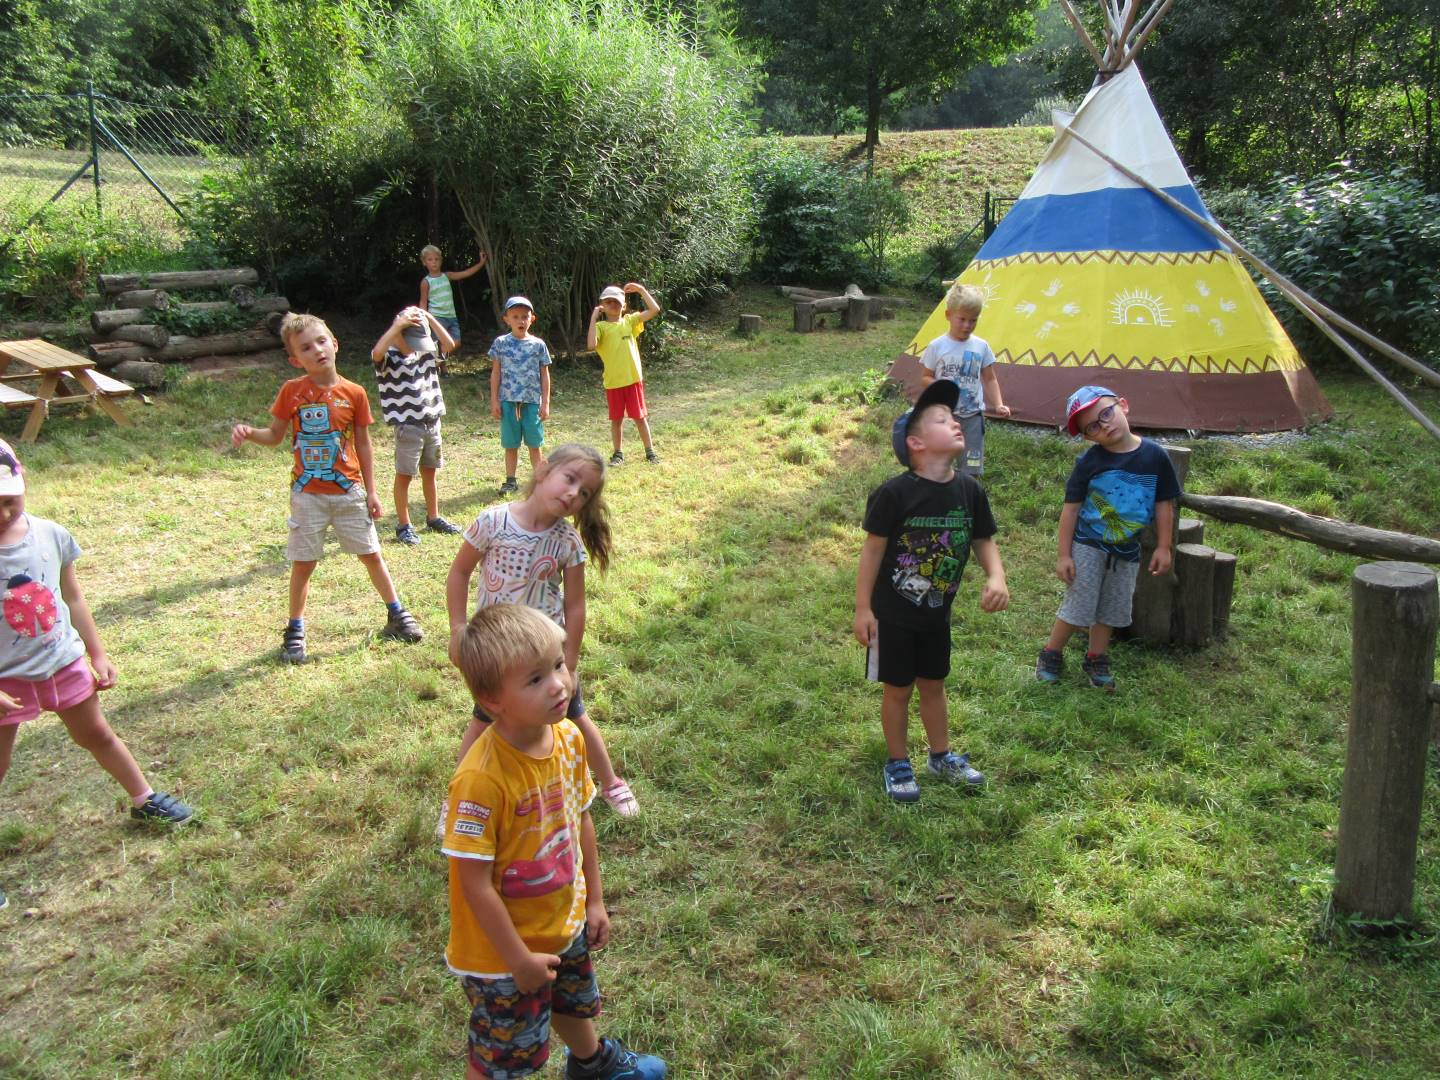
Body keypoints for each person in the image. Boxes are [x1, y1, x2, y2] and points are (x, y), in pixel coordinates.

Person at [444, 603, 667, 1080]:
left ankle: (593, 1064)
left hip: (563, 921)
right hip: (503, 955)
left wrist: (595, 901)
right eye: (535, 679)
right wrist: (517, 960)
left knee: (571, 1000)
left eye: (558, 665)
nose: (559, 684)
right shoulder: (480, 780)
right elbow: (472, 883)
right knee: (500, 1057)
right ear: (491, 699)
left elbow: (580, 819)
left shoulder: (567, 737)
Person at [0, 439, 193, 910]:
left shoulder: (51, 535)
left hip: (62, 662)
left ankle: (144, 799)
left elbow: (73, 596)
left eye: (10, 500)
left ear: (23, 484)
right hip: (6, 680)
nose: (3, 513)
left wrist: (97, 652)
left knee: (97, 734)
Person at [446, 444, 638, 817]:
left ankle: (611, 782)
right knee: (483, 720)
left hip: (548, 656)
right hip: (500, 654)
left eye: (585, 493)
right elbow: (459, 573)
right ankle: (457, 802)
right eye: (570, 479)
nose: (573, 494)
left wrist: (570, 662)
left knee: (575, 715)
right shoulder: (492, 522)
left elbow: (575, 605)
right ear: (543, 470)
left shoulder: (567, 542)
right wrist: (458, 629)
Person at [231, 313, 423, 663]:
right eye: (306, 347)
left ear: (334, 344)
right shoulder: (291, 392)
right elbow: (274, 436)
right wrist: (250, 433)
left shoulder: (355, 393)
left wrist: (372, 491)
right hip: (308, 495)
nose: (317, 350)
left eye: (321, 342)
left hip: (349, 492)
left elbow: (363, 444)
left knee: (372, 554)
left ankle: (397, 614)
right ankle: (295, 631)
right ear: (295, 360)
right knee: (304, 563)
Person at [853, 379, 1010, 804]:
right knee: (898, 689)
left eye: (954, 417)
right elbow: (872, 551)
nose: (955, 423)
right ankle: (897, 762)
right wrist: (863, 608)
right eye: (942, 419)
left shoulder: (969, 490)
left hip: (937, 614)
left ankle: (941, 756)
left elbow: (983, 540)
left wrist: (996, 576)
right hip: (893, 616)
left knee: (934, 684)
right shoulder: (894, 493)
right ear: (916, 443)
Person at [1036, 385, 1180, 691]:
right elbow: (1071, 510)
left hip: (1127, 549)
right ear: (1088, 437)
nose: (1104, 426)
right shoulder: (1089, 462)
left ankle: (1096, 658)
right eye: (1092, 427)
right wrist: (1064, 555)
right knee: (1079, 603)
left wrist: (1164, 546)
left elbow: (1164, 503)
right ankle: (1051, 653)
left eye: (1105, 414)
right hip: (1088, 544)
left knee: (1112, 607)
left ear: (1122, 405)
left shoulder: (1156, 457)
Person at [370, 306, 463, 546]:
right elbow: (376, 354)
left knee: (430, 472)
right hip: (407, 427)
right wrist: (397, 326)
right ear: (397, 334)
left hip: (432, 423)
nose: (416, 346)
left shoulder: (426, 353)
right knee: (405, 476)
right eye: (412, 341)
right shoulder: (389, 357)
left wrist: (429, 318)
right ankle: (404, 525)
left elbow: (449, 344)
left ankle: (434, 517)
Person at [917, 282, 1011, 476]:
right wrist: (941, 387)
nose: (967, 325)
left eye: (973, 320)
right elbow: (925, 377)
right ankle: (941, 487)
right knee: (940, 463)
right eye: (962, 319)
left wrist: (998, 404)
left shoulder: (981, 347)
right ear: (948, 315)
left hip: (973, 417)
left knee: (971, 465)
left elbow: (990, 379)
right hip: (944, 416)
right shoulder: (937, 347)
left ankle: (968, 489)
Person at [585, 283, 661, 466]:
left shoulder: (629, 321)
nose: (613, 304)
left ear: (624, 305)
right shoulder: (601, 327)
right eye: (608, 301)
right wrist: (593, 318)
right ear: (602, 305)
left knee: (640, 418)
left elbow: (654, 310)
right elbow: (591, 345)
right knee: (616, 420)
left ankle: (650, 452)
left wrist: (641, 290)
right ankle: (618, 454)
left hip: (633, 380)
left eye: (617, 302)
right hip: (613, 383)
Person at [489, 296, 551, 497]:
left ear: (532, 319)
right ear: (506, 319)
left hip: (531, 402)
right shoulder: (501, 343)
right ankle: (510, 480)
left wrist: (545, 402)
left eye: (525, 316)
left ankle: (540, 481)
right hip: (508, 402)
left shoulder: (538, 345)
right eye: (515, 316)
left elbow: (544, 375)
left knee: (535, 443)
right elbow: (496, 373)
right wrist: (494, 400)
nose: (520, 320)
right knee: (510, 444)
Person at [420, 245, 486, 375]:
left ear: (441, 260)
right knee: (440, 344)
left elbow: (465, 273)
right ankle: (443, 370)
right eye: (430, 259)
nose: (434, 262)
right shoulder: (426, 282)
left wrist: (481, 263)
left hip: (451, 316)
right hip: (436, 318)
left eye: (436, 259)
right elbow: (423, 301)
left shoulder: (447, 276)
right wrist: (423, 319)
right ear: (424, 262)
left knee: (455, 342)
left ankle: (434, 364)